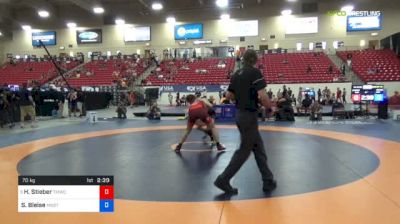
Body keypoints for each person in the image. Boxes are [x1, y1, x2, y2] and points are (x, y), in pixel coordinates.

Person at [214, 49, 276, 195]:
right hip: (249, 116)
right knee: (244, 150)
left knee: (258, 148)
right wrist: (269, 108)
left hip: (240, 114)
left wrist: (242, 96)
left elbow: (228, 95)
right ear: (255, 59)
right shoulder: (255, 73)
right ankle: (223, 179)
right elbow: (263, 95)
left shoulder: (236, 74)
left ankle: (268, 180)